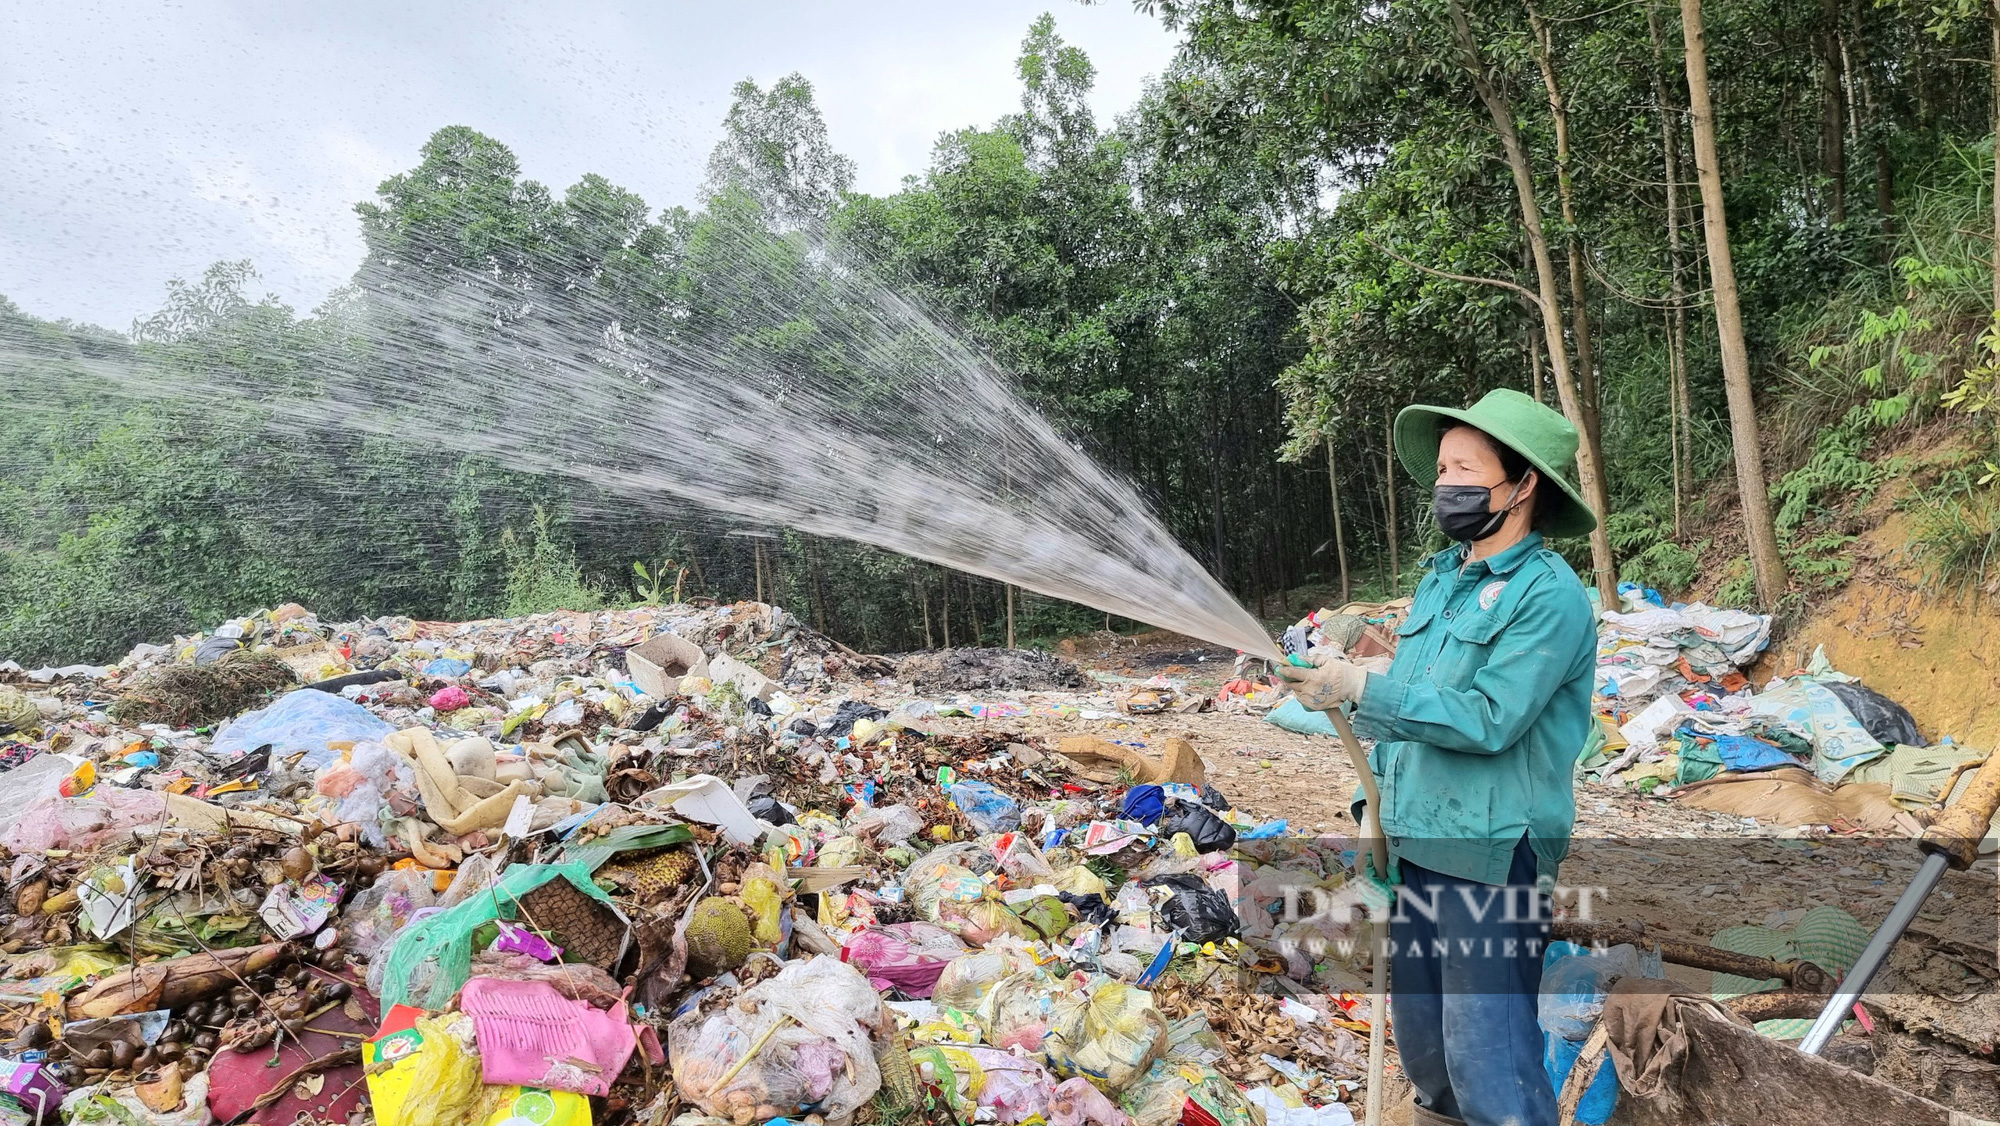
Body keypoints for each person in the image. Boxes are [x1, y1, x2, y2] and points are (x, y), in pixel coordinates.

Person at [1278, 388, 1598, 1126]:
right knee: (1428, 1052)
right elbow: (1411, 709)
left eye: (1464, 467)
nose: (1445, 484)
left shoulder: (1549, 598)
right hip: (1417, 839)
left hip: (1491, 854)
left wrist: (1361, 684)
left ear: (1522, 487)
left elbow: (1489, 720)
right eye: (1443, 468)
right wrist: (1373, 811)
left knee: (1489, 1060)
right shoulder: (1441, 580)